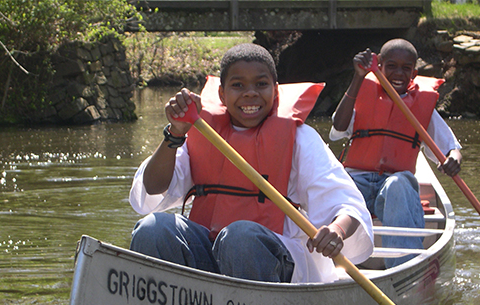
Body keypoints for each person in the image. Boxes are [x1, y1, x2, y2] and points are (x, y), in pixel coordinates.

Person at [129, 43, 373, 284]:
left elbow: (347, 203)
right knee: (153, 228)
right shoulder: (198, 131)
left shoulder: (300, 138)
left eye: (261, 84)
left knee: (241, 237)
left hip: (273, 259)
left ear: (275, 91)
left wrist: (337, 231)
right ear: (222, 94)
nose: (250, 93)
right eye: (238, 85)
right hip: (210, 253)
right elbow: (152, 187)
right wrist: (175, 133)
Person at [330, 38, 462, 269]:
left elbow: (452, 147)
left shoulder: (423, 106)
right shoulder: (361, 93)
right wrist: (358, 77)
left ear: (414, 73)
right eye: (391, 66)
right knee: (333, 187)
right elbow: (339, 127)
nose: (398, 73)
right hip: (357, 182)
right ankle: (330, 263)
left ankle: (403, 266)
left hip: (392, 191)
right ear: (379, 66)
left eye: (405, 68)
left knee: (399, 184)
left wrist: (453, 159)